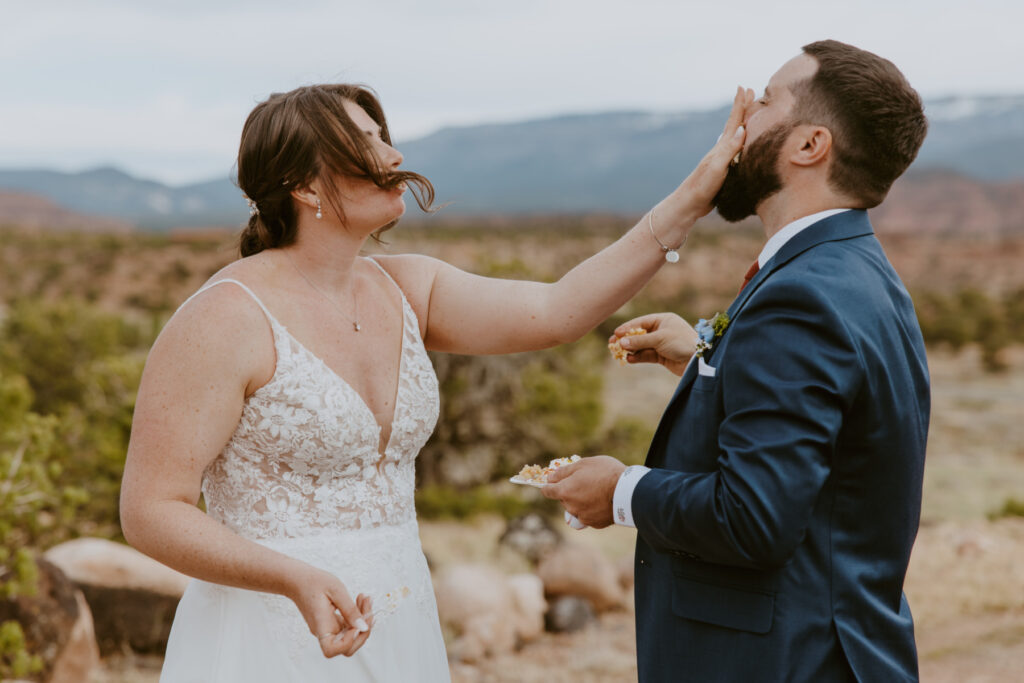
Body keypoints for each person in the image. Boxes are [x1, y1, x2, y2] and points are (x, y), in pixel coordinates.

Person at [118, 83, 750, 681]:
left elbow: (560, 310)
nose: (395, 156)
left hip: (401, 617)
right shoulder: (223, 318)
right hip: (271, 632)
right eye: (366, 144)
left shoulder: (408, 287)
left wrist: (695, 197)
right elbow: (150, 511)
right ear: (304, 184)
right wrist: (292, 578)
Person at [543, 40, 930, 682]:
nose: (743, 111)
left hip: (783, 660)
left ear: (809, 145)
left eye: (767, 98)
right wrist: (704, 356)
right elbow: (833, 421)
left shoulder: (801, 295)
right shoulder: (858, 271)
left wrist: (620, 491)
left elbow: (751, 519)